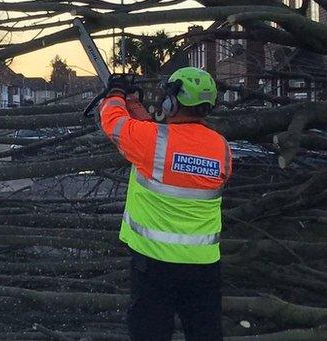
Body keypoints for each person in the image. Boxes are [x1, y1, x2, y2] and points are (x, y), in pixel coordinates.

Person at [98, 67, 232, 341]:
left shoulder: (152, 142)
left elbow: (113, 121)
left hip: (154, 265)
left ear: (171, 102)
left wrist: (115, 93)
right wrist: (136, 106)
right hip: (203, 266)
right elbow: (170, 145)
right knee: (204, 334)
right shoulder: (222, 148)